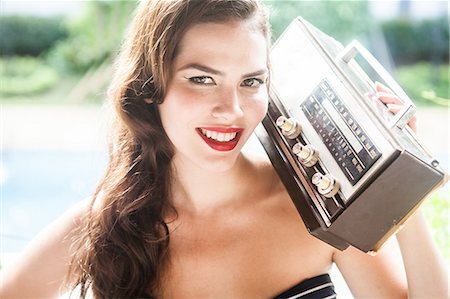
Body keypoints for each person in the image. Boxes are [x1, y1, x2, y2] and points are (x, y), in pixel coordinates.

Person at [0, 0, 448, 298]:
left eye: (251, 82)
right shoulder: (104, 226)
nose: (231, 110)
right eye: (202, 79)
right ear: (151, 87)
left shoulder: (318, 207)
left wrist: (402, 174)